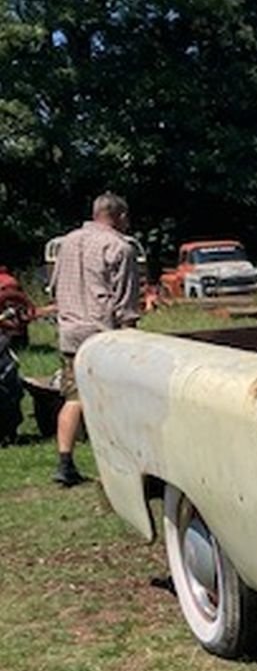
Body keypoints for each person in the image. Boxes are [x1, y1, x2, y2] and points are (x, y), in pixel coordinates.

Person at [48, 193, 140, 487]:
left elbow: (55, 286)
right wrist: (131, 336)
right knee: (114, 399)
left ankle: (65, 464)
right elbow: (125, 300)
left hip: (71, 332)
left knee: (74, 399)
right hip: (103, 335)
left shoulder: (67, 242)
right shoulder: (119, 246)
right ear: (120, 216)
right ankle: (120, 464)